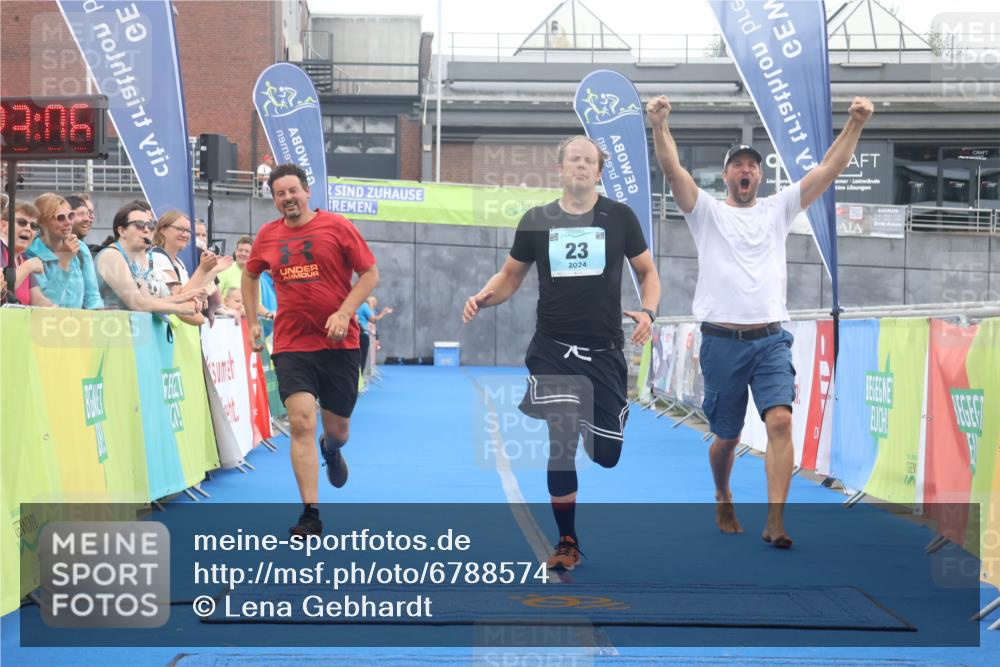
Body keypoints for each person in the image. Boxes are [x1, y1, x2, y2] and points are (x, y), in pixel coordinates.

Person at [646, 94, 874, 548]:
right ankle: (722, 490)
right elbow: (673, 172)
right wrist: (659, 124)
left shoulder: (778, 210)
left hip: (771, 340)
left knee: (780, 423)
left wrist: (855, 123)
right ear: (726, 175)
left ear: (760, 176)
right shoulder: (706, 213)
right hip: (721, 342)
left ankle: (775, 521)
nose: (745, 172)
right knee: (726, 439)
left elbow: (828, 170)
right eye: (737, 166)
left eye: (752, 166)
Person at [463, 135, 661, 570]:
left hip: (605, 353)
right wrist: (485, 296)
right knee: (561, 437)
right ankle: (567, 540)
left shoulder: (619, 217)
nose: (581, 166)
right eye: (574, 159)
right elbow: (510, 275)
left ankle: (605, 420)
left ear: (599, 171)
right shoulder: (538, 220)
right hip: (553, 350)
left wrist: (648, 312)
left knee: (606, 456)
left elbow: (648, 272)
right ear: (560, 168)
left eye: (589, 161)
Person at [243, 163, 378, 536]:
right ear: (274, 201)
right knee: (301, 420)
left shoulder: (337, 226)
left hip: (339, 344)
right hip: (292, 343)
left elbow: (370, 273)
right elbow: (250, 274)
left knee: (338, 430)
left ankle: (331, 450)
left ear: (307, 192)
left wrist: (345, 311)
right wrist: (254, 320)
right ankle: (310, 513)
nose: (287, 198)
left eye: (292, 191)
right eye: (279, 194)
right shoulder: (267, 236)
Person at [93, 203, 200, 316]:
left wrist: (186, 297)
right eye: (139, 225)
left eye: (150, 225)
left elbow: (148, 301)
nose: (146, 230)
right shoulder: (111, 256)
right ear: (122, 231)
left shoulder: (131, 261)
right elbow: (138, 304)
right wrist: (181, 308)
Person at [151, 210, 232, 326]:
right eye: (180, 229)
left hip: (183, 333)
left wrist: (213, 271)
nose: (185, 234)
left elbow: (191, 293)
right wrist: (202, 270)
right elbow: (180, 299)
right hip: (171, 331)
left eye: (188, 231)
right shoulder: (158, 258)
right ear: (163, 230)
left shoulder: (178, 262)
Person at [25, 193, 104, 309]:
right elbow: (45, 305)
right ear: (42, 222)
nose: (68, 222)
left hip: (79, 324)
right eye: (60, 217)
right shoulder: (29, 253)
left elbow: (92, 296)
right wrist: (64, 262)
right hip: (47, 324)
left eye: (71, 215)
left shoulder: (80, 248)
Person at [1, 201, 51, 306]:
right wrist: (28, 267)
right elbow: (3, 288)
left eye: (33, 226)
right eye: (22, 222)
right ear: (3, 225)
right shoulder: (27, 264)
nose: (28, 228)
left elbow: (38, 300)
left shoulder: (23, 260)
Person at [356, 295, 392, 374]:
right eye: (374, 302)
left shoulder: (356, 305)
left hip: (355, 335)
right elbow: (373, 320)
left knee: (356, 359)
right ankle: (359, 380)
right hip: (362, 334)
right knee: (362, 359)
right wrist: (383, 313)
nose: (375, 304)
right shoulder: (364, 306)